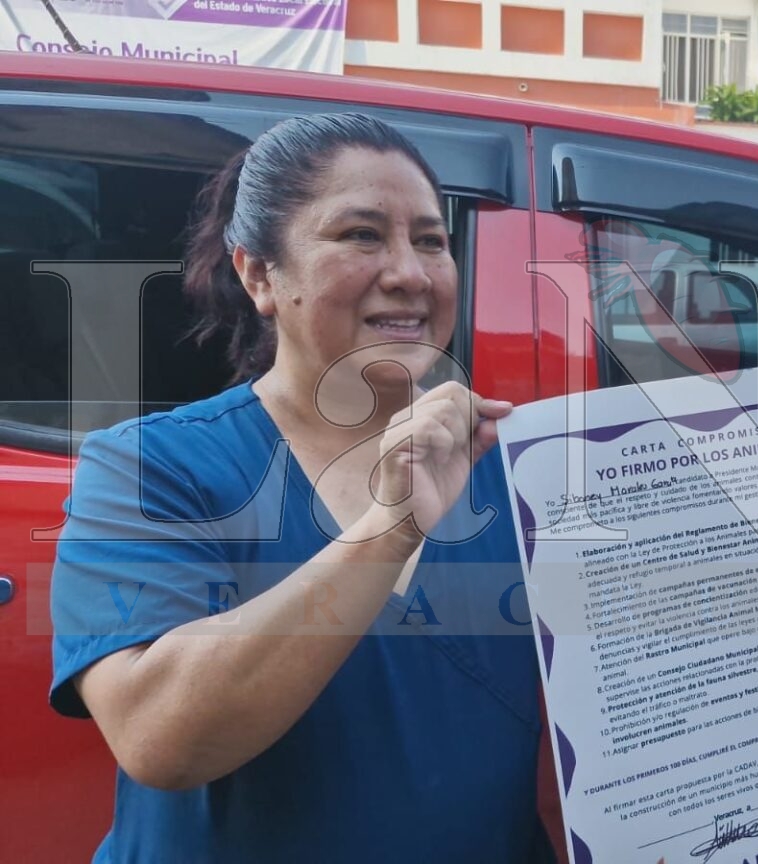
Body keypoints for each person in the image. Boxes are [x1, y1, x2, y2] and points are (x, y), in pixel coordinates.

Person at [48, 113, 547, 862]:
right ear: (258, 274)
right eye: (361, 235)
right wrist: (390, 525)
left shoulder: (520, 472)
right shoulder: (152, 469)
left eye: (432, 241)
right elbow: (159, 737)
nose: (410, 272)